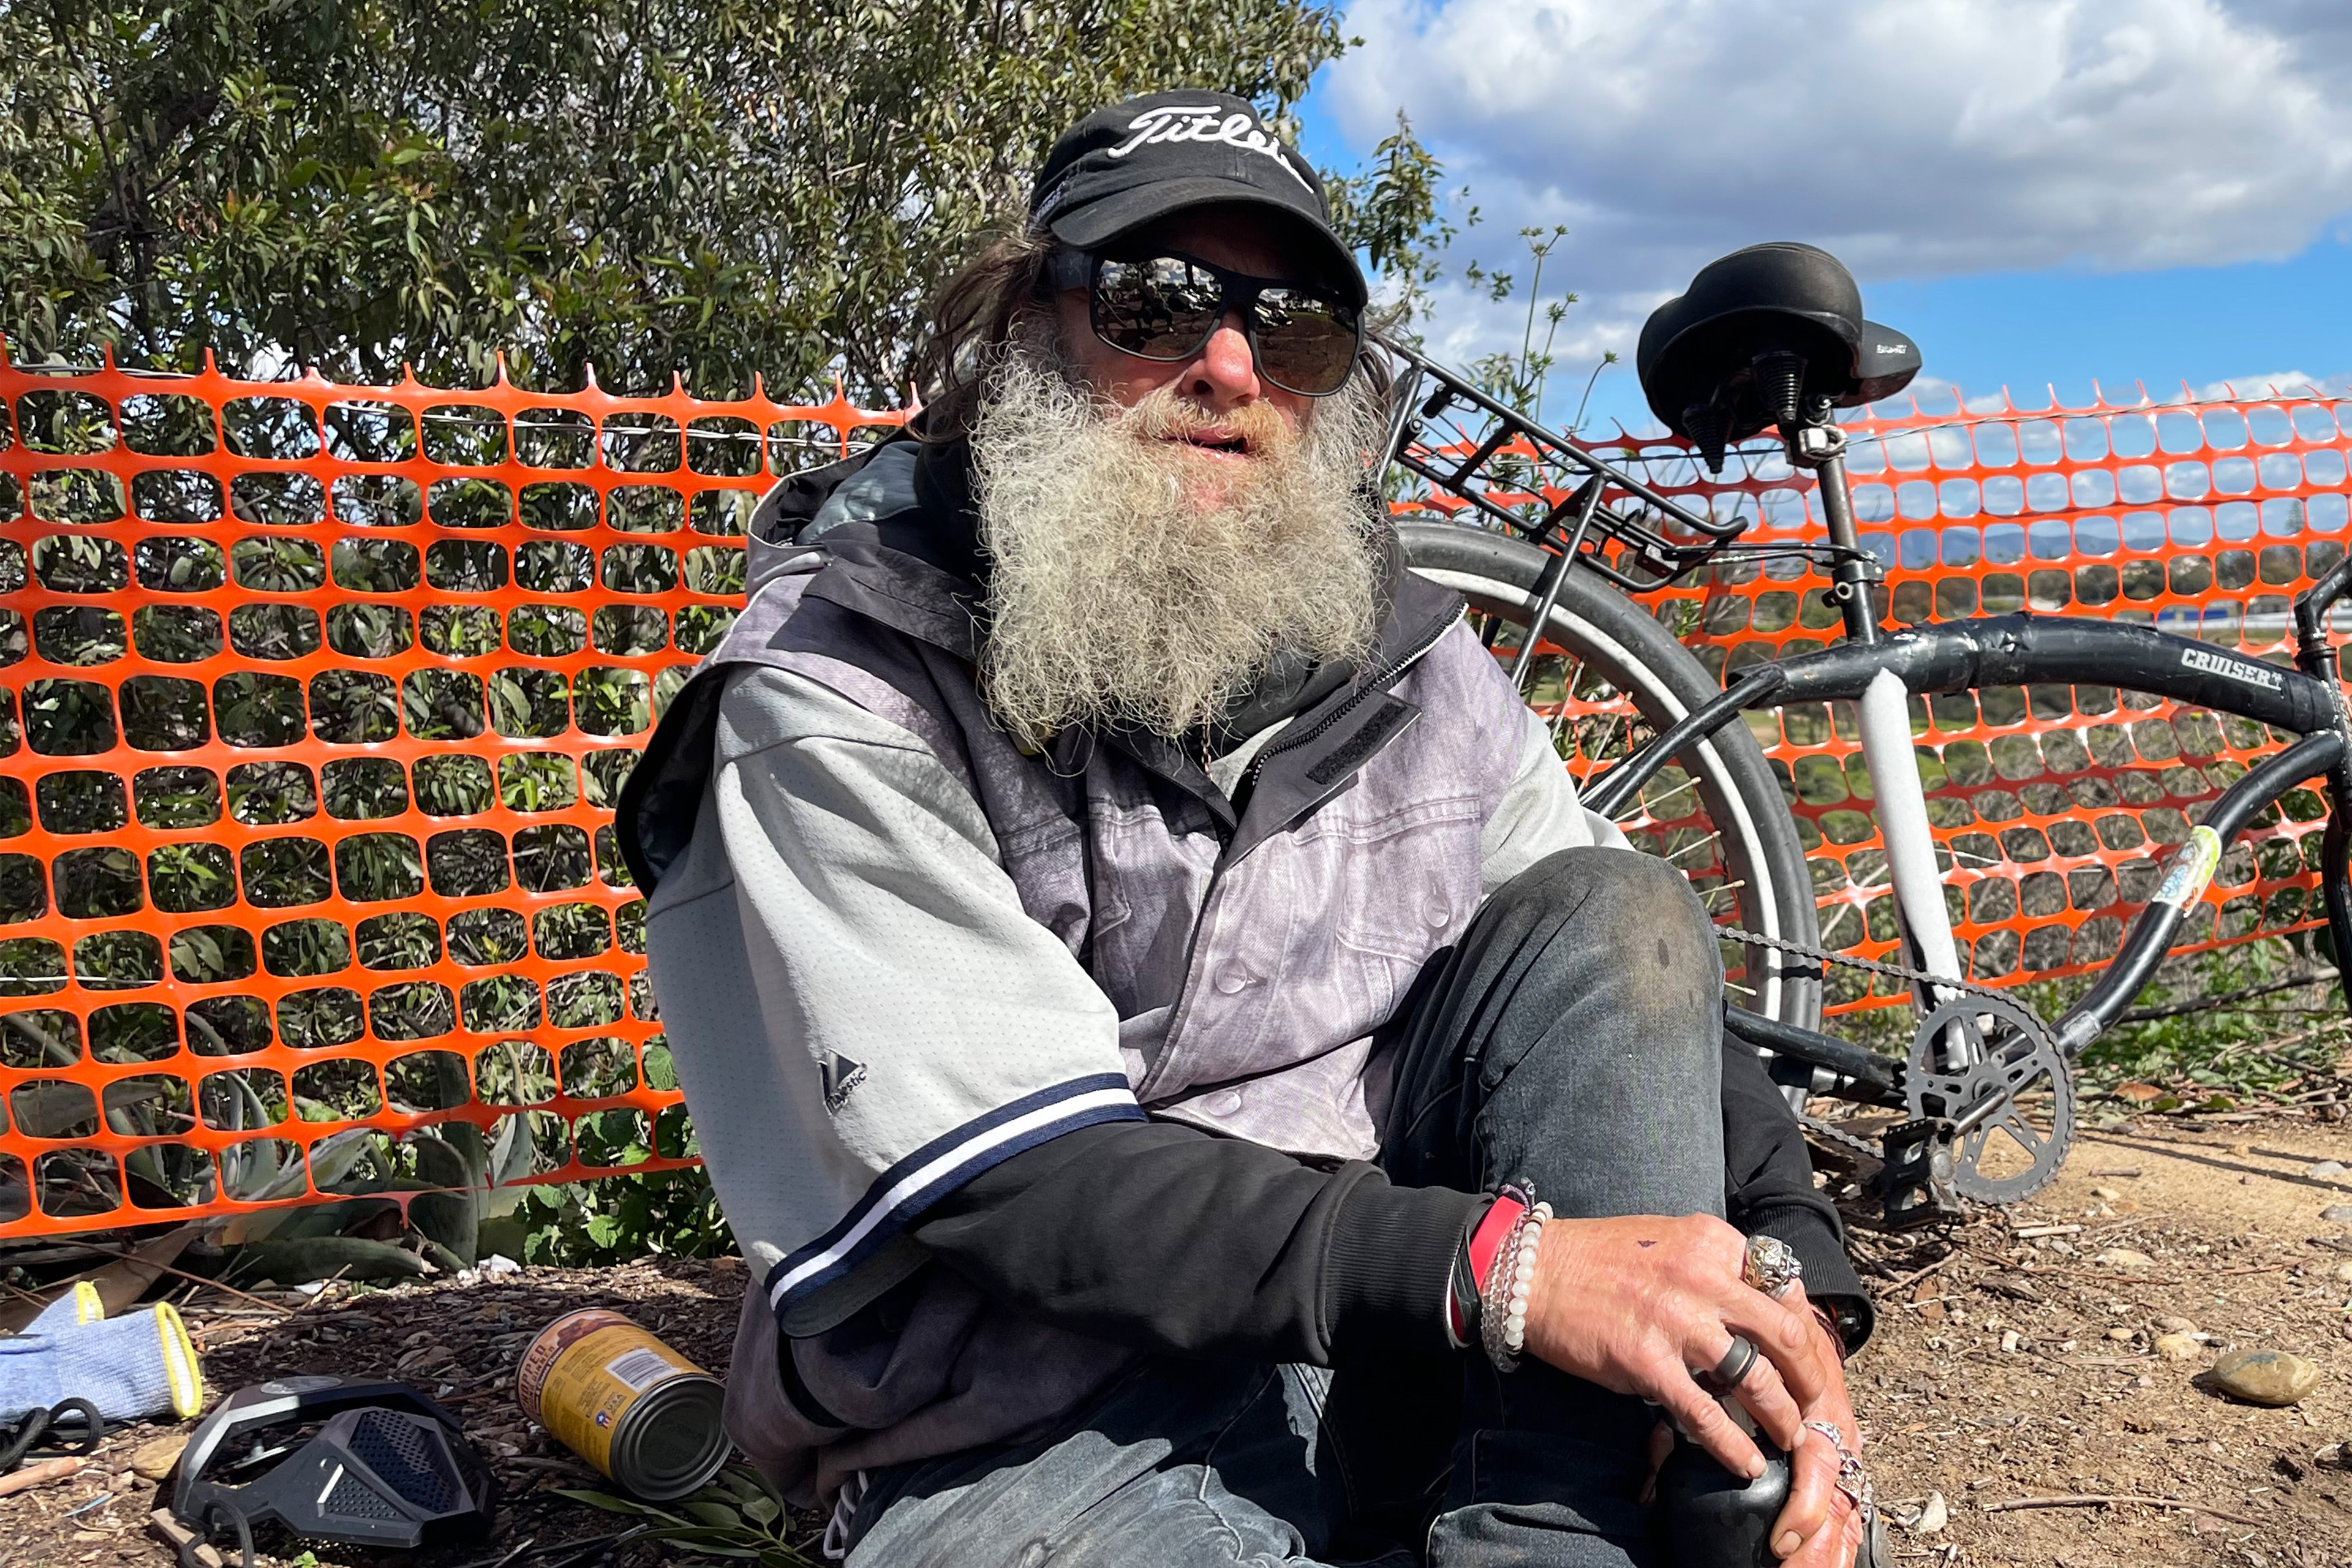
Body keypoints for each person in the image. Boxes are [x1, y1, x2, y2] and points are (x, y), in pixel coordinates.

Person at [617, 90, 1874, 1568]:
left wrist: (1786, 1279)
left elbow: (1626, 981)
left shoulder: (1407, 657)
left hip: (1406, 1334)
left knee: (1619, 906)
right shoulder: (837, 684)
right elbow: (1019, 1185)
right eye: (1157, 303)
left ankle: (1556, 1525)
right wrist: (1513, 1267)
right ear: (1031, 327)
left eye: (1293, 330)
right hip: (1017, 1408)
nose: (1228, 366)